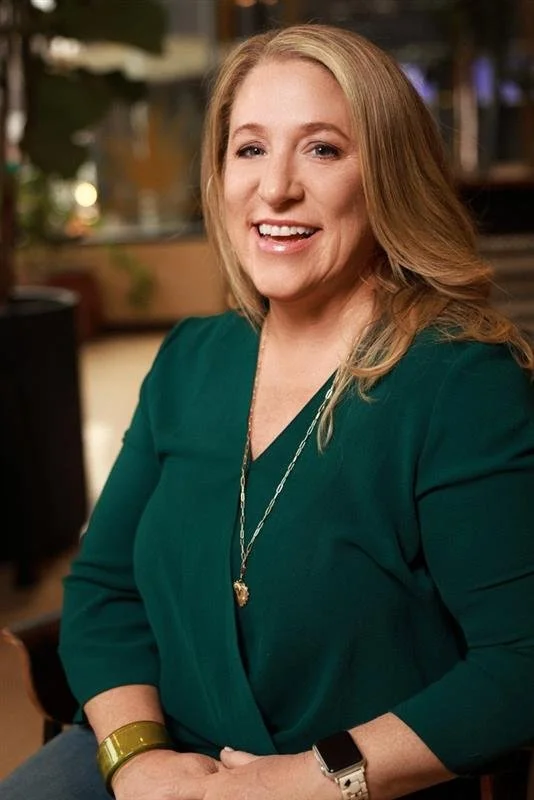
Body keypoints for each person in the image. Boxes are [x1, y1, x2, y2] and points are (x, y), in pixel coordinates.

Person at [2, 22, 534, 800]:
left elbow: (520, 661)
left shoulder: (462, 382)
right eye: (250, 148)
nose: (276, 187)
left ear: (387, 174)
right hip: (157, 768)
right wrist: (137, 756)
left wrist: (312, 781)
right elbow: (105, 589)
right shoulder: (192, 357)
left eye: (322, 149)